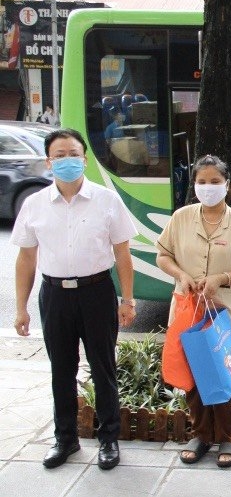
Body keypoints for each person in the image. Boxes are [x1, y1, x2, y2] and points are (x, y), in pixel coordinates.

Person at [11, 128, 137, 470]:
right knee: (61, 370)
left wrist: (128, 300)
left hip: (97, 292)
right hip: (54, 296)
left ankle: (109, 438)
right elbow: (26, 259)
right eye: (60, 155)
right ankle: (65, 439)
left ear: (85, 159)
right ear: (49, 162)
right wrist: (21, 308)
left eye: (73, 154)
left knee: (103, 367)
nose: (67, 160)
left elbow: (122, 253)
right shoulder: (34, 204)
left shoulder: (106, 200)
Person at [155, 154, 231, 468]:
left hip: (223, 316)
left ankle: (228, 438)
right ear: (194, 185)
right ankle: (201, 435)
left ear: (227, 185)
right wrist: (181, 274)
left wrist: (222, 278)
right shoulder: (181, 218)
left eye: (215, 181)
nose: (208, 187)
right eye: (202, 181)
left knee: (226, 376)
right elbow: (162, 256)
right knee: (194, 377)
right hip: (188, 313)